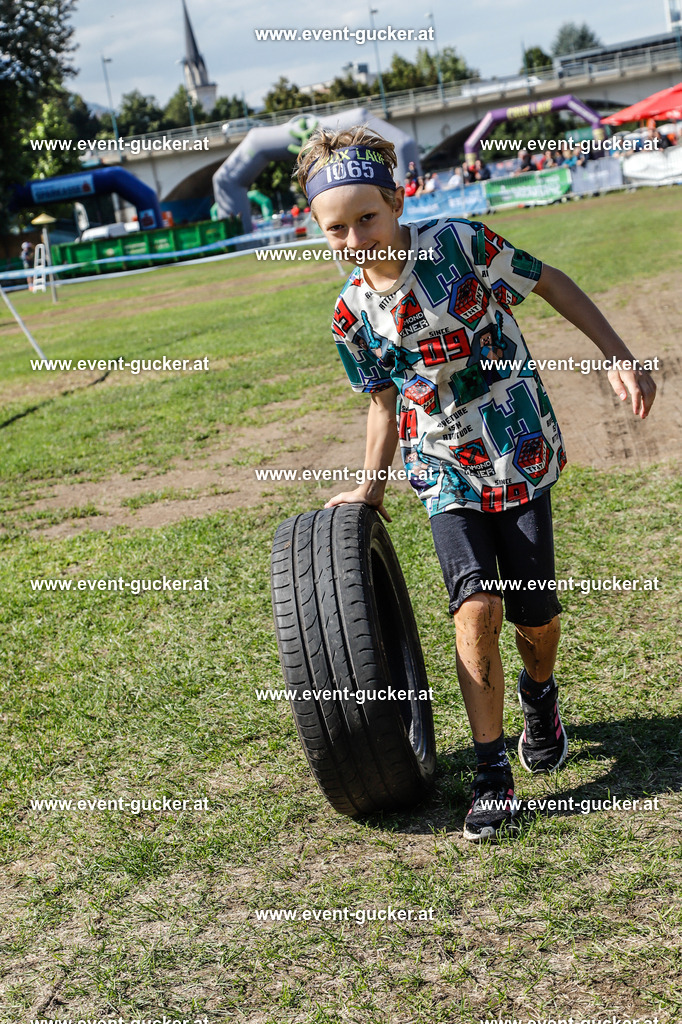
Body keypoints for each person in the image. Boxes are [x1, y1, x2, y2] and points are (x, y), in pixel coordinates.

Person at [293, 126, 656, 842]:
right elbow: (382, 402)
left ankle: (539, 694)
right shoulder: (349, 316)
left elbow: (549, 280)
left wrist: (618, 354)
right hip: (441, 466)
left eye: (368, 216)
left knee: (534, 619)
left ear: (398, 201)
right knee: (475, 608)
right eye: (338, 228)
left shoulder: (458, 243)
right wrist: (370, 486)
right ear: (320, 232)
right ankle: (493, 771)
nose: (357, 236)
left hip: (518, 449)